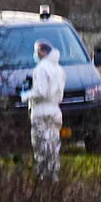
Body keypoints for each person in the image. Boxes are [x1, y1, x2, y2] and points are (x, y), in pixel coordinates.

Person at [23, 40, 66, 184]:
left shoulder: (41, 68)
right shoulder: (59, 69)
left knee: (40, 144)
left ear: (42, 52)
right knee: (53, 143)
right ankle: (54, 175)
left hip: (41, 110)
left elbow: (41, 91)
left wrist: (25, 95)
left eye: (36, 51)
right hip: (55, 110)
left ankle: (42, 177)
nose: (35, 54)